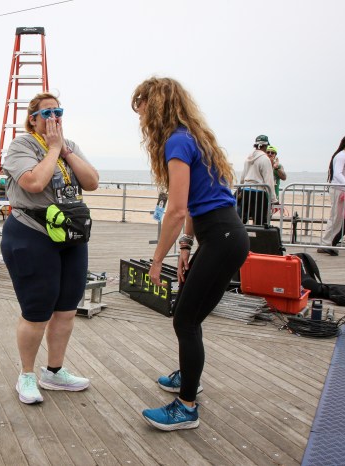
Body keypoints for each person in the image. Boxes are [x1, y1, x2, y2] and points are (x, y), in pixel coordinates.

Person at [131, 77, 249, 431]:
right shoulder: (193, 136)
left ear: (157, 107)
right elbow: (198, 204)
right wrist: (185, 246)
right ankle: (189, 378)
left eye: (143, 110)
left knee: (186, 319)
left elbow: (177, 209)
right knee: (188, 313)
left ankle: (186, 406)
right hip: (223, 235)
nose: (141, 120)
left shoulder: (177, 142)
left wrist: (157, 260)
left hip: (222, 238)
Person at [0, 92, 99, 404]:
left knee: (67, 309)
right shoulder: (22, 145)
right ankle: (26, 375)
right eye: (46, 112)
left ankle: (54, 372)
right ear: (33, 119)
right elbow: (33, 183)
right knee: (36, 310)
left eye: (58, 111)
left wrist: (66, 152)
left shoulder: (69, 146)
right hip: (32, 234)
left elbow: (92, 181)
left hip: (69, 236)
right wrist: (53, 149)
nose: (54, 117)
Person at [318, 134, 345, 256]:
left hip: (343, 189)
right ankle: (325, 244)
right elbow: (337, 174)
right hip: (339, 189)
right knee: (336, 217)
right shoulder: (341, 156)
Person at [239, 135, 277, 225]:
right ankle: (258, 238)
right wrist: (273, 199)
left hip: (245, 190)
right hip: (258, 192)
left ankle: (240, 238)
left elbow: (242, 177)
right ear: (265, 146)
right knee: (260, 221)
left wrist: (241, 188)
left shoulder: (248, 158)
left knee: (242, 220)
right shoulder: (265, 159)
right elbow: (269, 180)